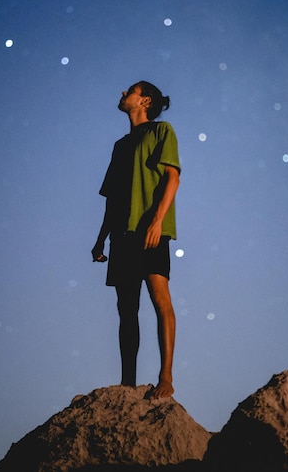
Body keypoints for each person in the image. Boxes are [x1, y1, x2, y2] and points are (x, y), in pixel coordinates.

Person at [92, 81, 180, 399]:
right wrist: (100, 239)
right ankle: (127, 385)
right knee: (126, 310)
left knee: (160, 300)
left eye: (128, 90)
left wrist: (157, 221)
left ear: (144, 100)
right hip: (122, 237)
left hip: (151, 231)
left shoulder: (161, 131)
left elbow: (173, 177)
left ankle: (166, 379)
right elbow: (112, 199)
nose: (121, 93)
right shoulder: (120, 146)